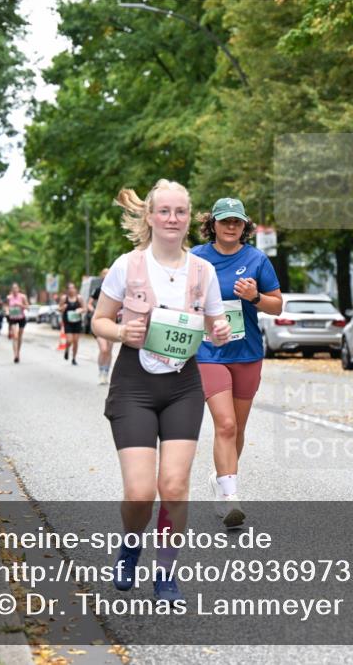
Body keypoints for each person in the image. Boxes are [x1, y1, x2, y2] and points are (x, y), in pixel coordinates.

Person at [91, 180, 230, 603]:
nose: (173, 219)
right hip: (134, 383)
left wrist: (220, 332)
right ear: (149, 216)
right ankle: (131, 545)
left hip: (183, 385)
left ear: (190, 219)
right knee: (139, 492)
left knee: (173, 486)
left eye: (181, 212)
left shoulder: (203, 272)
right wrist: (121, 331)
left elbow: (217, 325)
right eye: (165, 211)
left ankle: (166, 572)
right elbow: (99, 320)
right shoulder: (126, 266)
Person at [192, 198, 282, 528]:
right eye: (225, 220)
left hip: (247, 353)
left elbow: (277, 307)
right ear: (212, 224)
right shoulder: (197, 258)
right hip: (209, 352)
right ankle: (231, 496)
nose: (231, 226)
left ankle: (220, 479)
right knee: (226, 424)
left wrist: (255, 298)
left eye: (237, 221)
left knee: (239, 428)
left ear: (245, 226)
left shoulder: (256, 259)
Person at [88, 268, 115, 384]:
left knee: (109, 350)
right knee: (103, 349)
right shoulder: (98, 290)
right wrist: (94, 310)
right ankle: (101, 371)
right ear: (102, 276)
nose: (107, 275)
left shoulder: (116, 289)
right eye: (105, 274)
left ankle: (106, 373)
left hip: (112, 323)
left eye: (109, 273)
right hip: (99, 323)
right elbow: (88, 304)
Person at [59, 282, 84, 365]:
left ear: (75, 289)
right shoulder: (64, 298)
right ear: (67, 290)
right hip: (68, 322)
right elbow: (59, 309)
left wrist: (81, 310)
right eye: (69, 288)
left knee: (76, 341)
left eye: (73, 288)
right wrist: (63, 308)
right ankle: (67, 349)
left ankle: (74, 358)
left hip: (77, 322)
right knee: (69, 340)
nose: (71, 290)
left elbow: (85, 308)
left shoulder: (79, 298)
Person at [4, 283, 30, 364]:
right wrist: (7, 311)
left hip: (21, 318)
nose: (15, 290)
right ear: (11, 290)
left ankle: (18, 352)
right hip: (12, 318)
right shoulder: (9, 297)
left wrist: (20, 305)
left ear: (18, 289)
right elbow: (6, 306)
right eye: (13, 288)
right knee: (15, 336)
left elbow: (28, 307)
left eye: (16, 288)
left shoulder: (22, 297)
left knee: (20, 336)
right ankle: (15, 355)